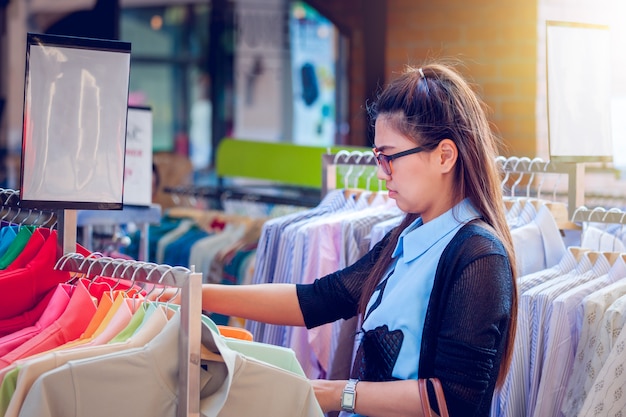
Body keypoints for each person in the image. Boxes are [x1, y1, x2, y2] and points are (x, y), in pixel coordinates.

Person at [151, 61, 518, 417]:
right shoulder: (407, 239)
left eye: (389, 157)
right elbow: (318, 299)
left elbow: (452, 400)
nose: (380, 173)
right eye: (378, 157)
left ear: (445, 156)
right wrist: (191, 294)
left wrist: (334, 393)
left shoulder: (479, 256)